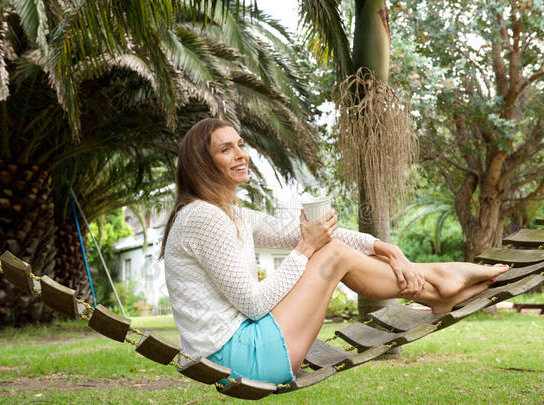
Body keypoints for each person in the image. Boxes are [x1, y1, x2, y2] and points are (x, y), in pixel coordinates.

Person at [159, 118, 508, 385]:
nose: (241, 154)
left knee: (333, 248)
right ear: (203, 164)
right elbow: (252, 303)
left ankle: (439, 288)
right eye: (226, 149)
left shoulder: (228, 214)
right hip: (239, 358)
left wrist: (383, 246)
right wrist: (306, 246)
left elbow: (318, 233)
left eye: (240, 144)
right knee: (333, 254)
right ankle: (441, 281)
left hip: (246, 348)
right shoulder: (203, 217)